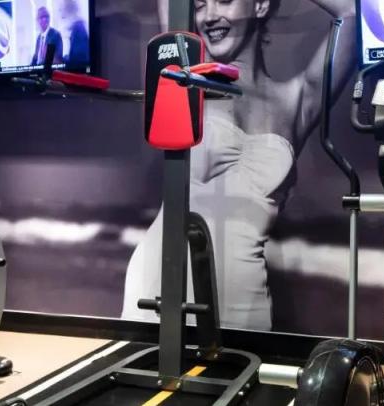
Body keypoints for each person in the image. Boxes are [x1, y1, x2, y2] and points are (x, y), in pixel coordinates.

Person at [121, 0, 356, 331]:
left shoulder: (296, 100)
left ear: (260, 5)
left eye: (224, 1)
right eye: (199, 6)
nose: (209, 16)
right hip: (160, 287)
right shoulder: (185, 78)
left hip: (245, 303)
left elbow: (352, 13)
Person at [60, 0, 90, 67]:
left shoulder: (78, 29)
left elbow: (79, 61)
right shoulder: (77, 28)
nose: (60, 12)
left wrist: (62, 61)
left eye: (61, 9)